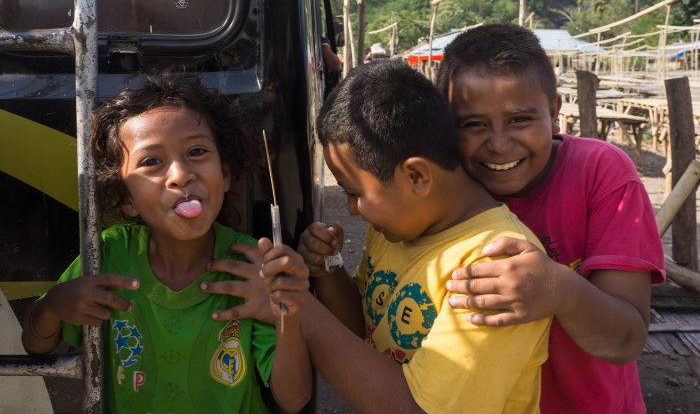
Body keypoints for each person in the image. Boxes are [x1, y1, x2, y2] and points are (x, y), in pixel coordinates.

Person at [21, 73, 312, 414]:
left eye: (197, 151)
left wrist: (287, 315)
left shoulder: (251, 265)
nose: (179, 175)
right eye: (152, 162)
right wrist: (55, 304)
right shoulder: (108, 254)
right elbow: (35, 345)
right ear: (126, 198)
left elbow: (294, 399)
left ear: (226, 175)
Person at [297, 59, 551, 414]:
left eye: (354, 193)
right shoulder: (394, 231)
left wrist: (300, 311)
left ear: (416, 176)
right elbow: (363, 329)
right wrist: (327, 270)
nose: (353, 209)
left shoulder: (495, 263)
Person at [435, 24, 666, 414]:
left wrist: (558, 289)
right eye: (473, 125)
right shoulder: (441, 186)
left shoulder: (602, 174)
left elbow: (626, 342)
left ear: (555, 112)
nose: (499, 145)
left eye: (520, 120)